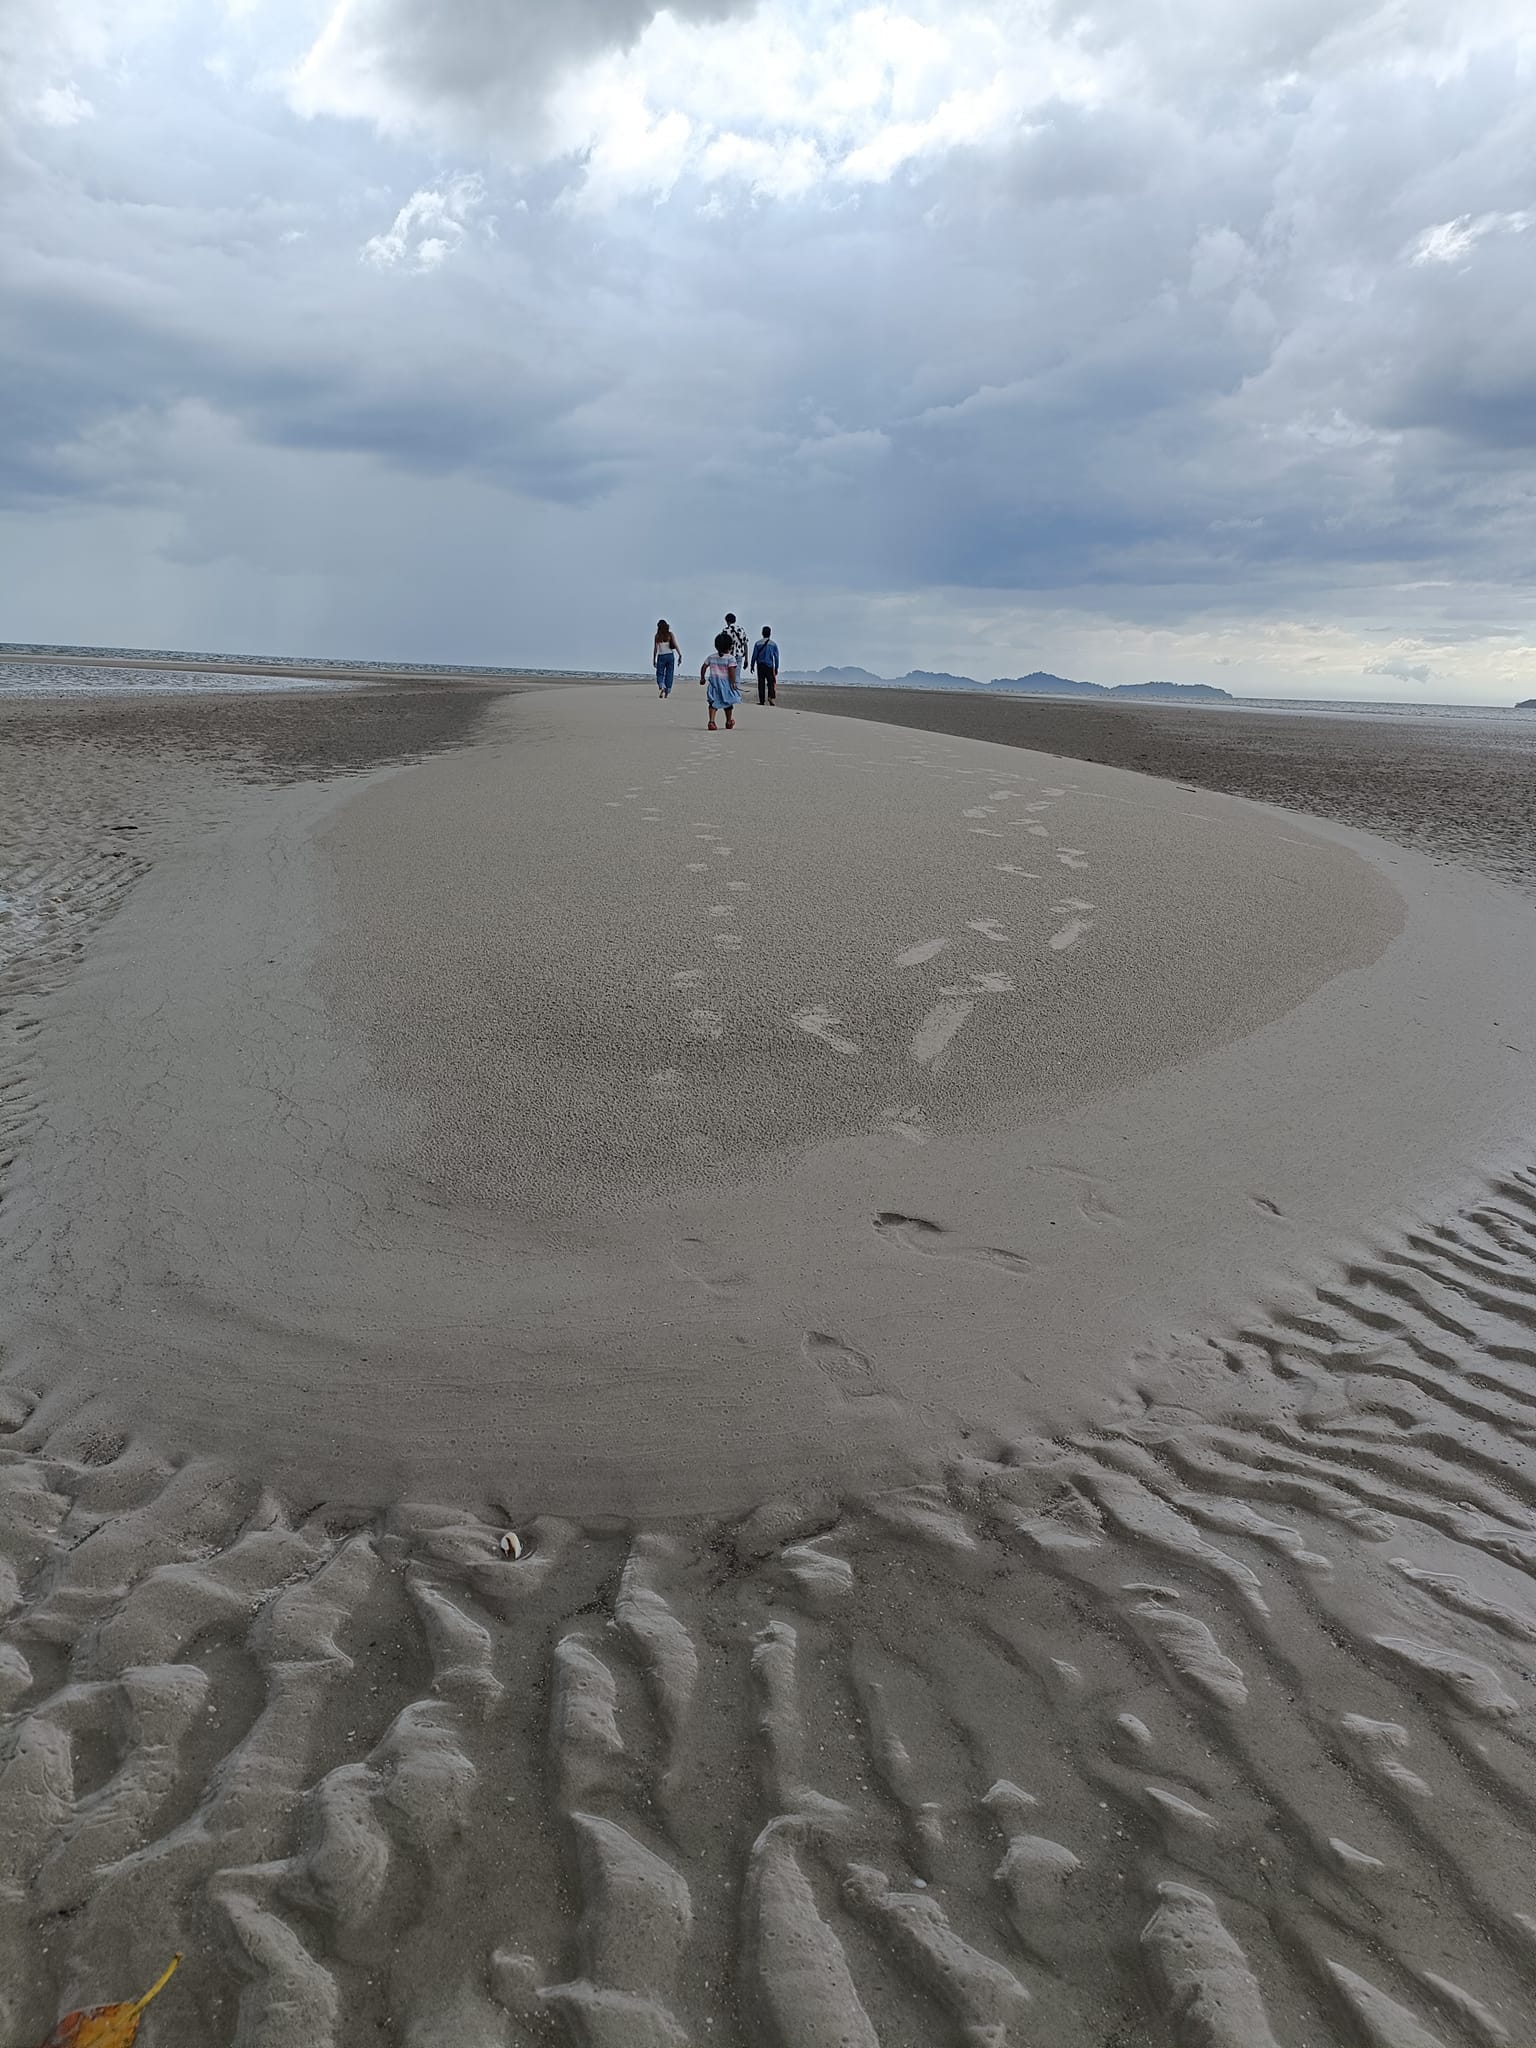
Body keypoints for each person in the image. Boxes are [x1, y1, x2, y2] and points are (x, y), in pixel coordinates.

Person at [699, 629, 741, 731]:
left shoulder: (711, 657)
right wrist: (733, 682)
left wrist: (702, 678)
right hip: (726, 684)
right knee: (728, 704)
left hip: (714, 684)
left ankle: (711, 722)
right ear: (730, 646)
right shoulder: (731, 658)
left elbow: (704, 667)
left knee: (713, 703)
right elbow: (731, 671)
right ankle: (728, 721)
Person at [751, 625, 780, 706]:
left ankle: (762, 700)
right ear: (770, 633)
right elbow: (776, 657)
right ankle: (770, 697)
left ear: (762, 633)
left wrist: (752, 665)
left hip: (760, 665)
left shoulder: (757, 643)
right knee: (770, 682)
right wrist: (776, 667)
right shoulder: (773, 644)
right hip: (769, 666)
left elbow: (754, 655)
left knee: (761, 683)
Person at [653, 619, 680, 698]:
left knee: (660, 673)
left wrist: (654, 659)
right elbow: (675, 644)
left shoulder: (657, 635)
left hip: (661, 656)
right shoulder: (670, 634)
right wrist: (680, 654)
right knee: (669, 674)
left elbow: (655, 649)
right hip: (670, 656)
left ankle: (661, 685)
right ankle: (667, 691)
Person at [724, 612, 750, 677]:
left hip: (728, 656)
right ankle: (736, 687)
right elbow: (745, 644)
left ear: (727, 621)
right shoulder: (741, 630)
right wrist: (746, 659)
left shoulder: (725, 630)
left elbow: (722, 645)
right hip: (739, 656)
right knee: (737, 676)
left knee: (728, 676)